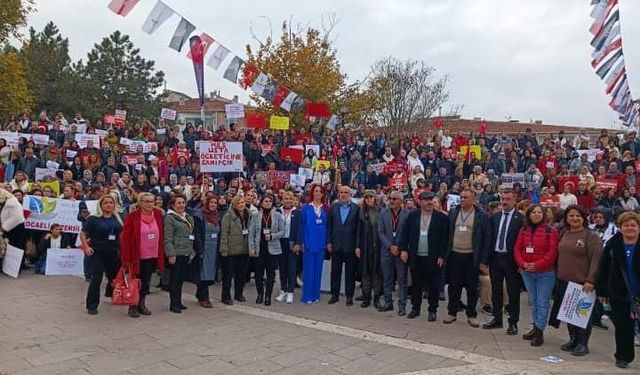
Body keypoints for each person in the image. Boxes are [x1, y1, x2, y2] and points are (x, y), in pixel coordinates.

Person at [549, 205, 603, 356]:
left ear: (584, 218)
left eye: (578, 216)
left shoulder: (591, 236)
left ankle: (582, 343)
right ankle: (573, 339)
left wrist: (590, 280)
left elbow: (596, 260)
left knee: (581, 315)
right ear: (566, 218)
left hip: (582, 283)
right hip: (563, 280)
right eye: (571, 216)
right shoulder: (564, 233)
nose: (574, 219)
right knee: (568, 314)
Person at [596, 212, 640, 369]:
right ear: (620, 228)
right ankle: (623, 356)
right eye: (626, 225)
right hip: (620, 294)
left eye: (633, 225)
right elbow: (603, 269)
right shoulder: (612, 246)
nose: (630, 228)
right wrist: (601, 291)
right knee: (623, 327)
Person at [399, 191, 450, 322]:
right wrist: (404, 250)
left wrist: (442, 256)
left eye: (431, 200)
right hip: (416, 256)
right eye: (426, 200)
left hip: (433, 257)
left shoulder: (442, 218)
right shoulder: (412, 216)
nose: (429, 203)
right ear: (420, 202)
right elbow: (405, 234)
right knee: (416, 285)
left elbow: (446, 239)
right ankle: (415, 308)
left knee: (433, 285)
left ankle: (432, 310)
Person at [443, 188, 490, 328]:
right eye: (461, 197)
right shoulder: (453, 213)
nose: (463, 199)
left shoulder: (482, 215)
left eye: (466, 197)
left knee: (471, 287)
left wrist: (483, 260)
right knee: (453, 286)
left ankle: (471, 315)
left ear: (473, 199)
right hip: (454, 255)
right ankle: (452, 312)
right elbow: (447, 234)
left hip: (472, 257)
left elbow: (487, 238)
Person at [513, 204, 559, 346]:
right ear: (529, 214)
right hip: (527, 272)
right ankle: (535, 326)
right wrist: (522, 263)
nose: (537, 214)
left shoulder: (551, 231)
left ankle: (540, 331)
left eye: (540, 212)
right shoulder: (524, 229)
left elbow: (552, 253)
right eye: (534, 212)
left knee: (542, 302)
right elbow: (517, 248)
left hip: (545, 273)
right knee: (533, 301)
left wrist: (537, 265)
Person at [482, 187, 525, 335]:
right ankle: (497, 319)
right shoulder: (494, 217)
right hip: (496, 258)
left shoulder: (521, 219)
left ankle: (513, 322)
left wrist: (521, 263)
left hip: (512, 260)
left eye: (508, 199)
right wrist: (485, 260)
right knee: (496, 291)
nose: (505, 202)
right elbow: (489, 239)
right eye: (503, 199)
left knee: (513, 293)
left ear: (514, 200)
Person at [119, 192, 164, 318]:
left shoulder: (158, 215)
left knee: (146, 281)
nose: (150, 204)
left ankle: (142, 303)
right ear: (140, 203)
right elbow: (126, 238)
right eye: (147, 201)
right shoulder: (133, 216)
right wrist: (126, 258)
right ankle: (133, 305)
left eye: (152, 201)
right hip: (137, 255)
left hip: (153, 254)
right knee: (135, 281)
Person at [80, 194, 123, 315]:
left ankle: (110, 292)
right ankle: (92, 305)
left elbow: (121, 234)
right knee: (97, 279)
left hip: (113, 252)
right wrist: (86, 247)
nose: (109, 205)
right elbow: (83, 233)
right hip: (97, 253)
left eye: (111, 202)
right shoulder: (94, 219)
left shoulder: (117, 218)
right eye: (106, 203)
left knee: (113, 276)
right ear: (101, 205)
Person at [248, 194, 284, 306]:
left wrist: (272, 236)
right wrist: (252, 248)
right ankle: (260, 294)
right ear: (261, 203)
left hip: (272, 249)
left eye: (269, 201)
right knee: (258, 274)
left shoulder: (277, 215)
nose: (267, 203)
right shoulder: (256, 215)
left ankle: (268, 296)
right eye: (265, 201)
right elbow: (251, 234)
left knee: (271, 274)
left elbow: (282, 231)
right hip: (259, 248)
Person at [326, 185, 360, 306]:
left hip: (350, 246)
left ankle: (349, 296)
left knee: (350, 273)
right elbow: (329, 226)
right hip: (336, 244)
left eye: (346, 192)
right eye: (341, 192)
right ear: (339, 194)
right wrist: (329, 242)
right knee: (335, 271)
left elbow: (358, 230)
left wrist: (357, 246)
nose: (344, 194)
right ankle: (334, 295)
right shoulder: (333, 207)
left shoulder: (356, 208)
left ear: (350, 194)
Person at [378, 190, 409, 315]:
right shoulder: (383, 213)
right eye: (390, 198)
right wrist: (390, 246)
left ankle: (402, 305)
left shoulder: (407, 214)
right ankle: (388, 302)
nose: (391, 201)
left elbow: (408, 234)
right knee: (387, 278)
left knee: (402, 280)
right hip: (387, 250)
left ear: (401, 201)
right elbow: (380, 232)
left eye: (395, 199)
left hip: (401, 251)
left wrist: (400, 247)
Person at [164, 194, 195, 314]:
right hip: (176, 252)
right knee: (174, 279)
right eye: (179, 203)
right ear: (173, 205)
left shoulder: (187, 217)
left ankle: (179, 301)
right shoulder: (170, 218)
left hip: (186, 252)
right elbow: (167, 237)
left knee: (181, 279)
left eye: (183, 202)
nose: (181, 205)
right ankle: (173, 303)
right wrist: (171, 253)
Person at [219, 195, 250, 305]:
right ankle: (226, 296)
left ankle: (238, 294)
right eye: (239, 203)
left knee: (241, 274)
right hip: (231, 250)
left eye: (243, 202)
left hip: (244, 249)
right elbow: (224, 233)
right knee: (228, 275)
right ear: (234, 204)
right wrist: (224, 248)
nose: (242, 204)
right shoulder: (228, 216)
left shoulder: (248, 215)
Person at [300, 184, 328, 303]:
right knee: (308, 271)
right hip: (309, 243)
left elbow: (328, 226)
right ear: (312, 193)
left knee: (318, 270)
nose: (317, 193)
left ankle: (316, 294)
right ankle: (307, 295)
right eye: (315, 191)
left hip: (321, 243)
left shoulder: (326, 208)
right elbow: (301, 226)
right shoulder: (306, 208)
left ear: (323, 194)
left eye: (320, 191)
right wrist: (301, 241)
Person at [355, 190, 382, 308]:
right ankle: (366, 297)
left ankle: (376, 298)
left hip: (378, 246)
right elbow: (358, 231)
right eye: (366, 198)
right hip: (365, 245)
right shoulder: (361, 212)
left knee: (376, 273)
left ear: (375, 198)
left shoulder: (381, 211)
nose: (369, 199)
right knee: (365, 272)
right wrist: (357, 246)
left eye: (371, 197)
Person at [275, 191, 302, 304]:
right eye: (286, 198)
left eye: (290, 199)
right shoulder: (277, 211)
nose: (288, 201)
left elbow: (300, 229)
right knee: (282, 268)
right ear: (282, 200)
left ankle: (290, 292)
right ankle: (283, 290)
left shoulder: (297, 212)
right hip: (280, 242)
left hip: (292, 243)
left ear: (293, 201)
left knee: (291, 268)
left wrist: (298, 243)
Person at [198, 195, 221, 308]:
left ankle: (200, 294)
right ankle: (204, 297)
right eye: (211, 202)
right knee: (203, 273)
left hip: (214, 249)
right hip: (204, 248)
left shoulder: (217, 216)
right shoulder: (201, 215)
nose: (213, 205)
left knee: (210, 273)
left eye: (215, 203)